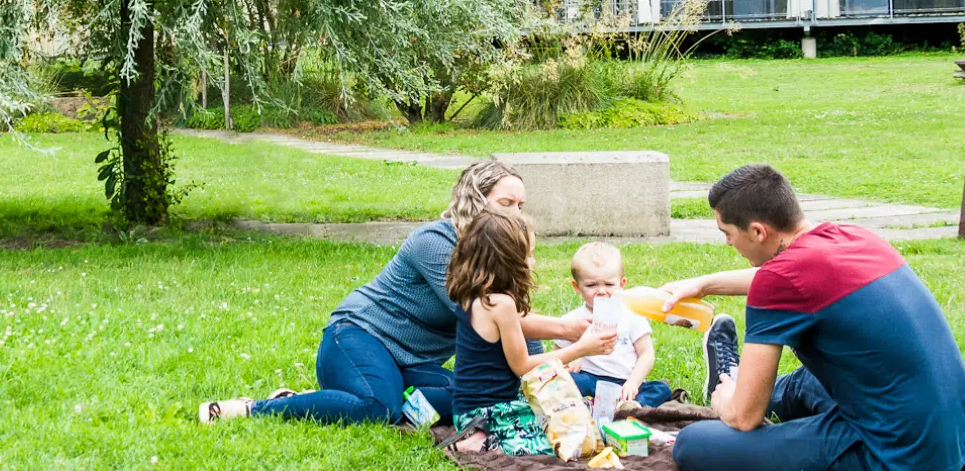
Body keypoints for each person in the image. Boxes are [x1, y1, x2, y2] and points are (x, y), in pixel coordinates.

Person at [197, 160, 601, 425]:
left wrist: (553, 363)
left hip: (411, 361)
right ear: (474, 201)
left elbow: (509, 330)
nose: (516, 213)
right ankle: (258, 407)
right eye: (506, 203)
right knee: (379, 408)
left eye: (520, 204)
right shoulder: (437, 243)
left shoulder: (492, 254)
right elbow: (498, 318)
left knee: (471, 399)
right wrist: (569, 334)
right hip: (357, 338)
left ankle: (325, 400)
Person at [663, 164, 965, 471]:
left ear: (759, 231)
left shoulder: (778, 281)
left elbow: (745, 418)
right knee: (806, 380)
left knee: (693, 443)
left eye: (728, 232)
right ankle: (734, 380)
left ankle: (729, 389)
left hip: (894, 456)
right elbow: (789, 278)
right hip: (959, 441)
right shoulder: (852, 237)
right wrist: (703, 285)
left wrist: (726, 408)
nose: (728, 242)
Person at [444, 209, 613, 455]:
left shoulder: (473, 294)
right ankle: (482, 442)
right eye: (529, 255)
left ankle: (480, 436)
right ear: (506, 261)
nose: (532, 262)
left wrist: (569, 330)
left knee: (577, 411)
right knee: (571, 439)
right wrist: (581, 349)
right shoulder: (501, 305)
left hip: (467, 410)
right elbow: (523, 367)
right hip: (491, 412)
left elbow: (518, 323)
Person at [552, 242, 676, 409]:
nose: (601, 291)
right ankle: (587, 405)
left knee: (661, 389)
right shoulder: (573, 320)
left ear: (622, 284)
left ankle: (632, 407)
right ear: (577, 287)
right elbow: (555, 358)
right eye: (591, 285)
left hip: (624, 382)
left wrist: (633, 382)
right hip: (591, 379)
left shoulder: (632, 315)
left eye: (609, 284)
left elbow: (646, 354)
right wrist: (570, 361)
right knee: (562, 381)